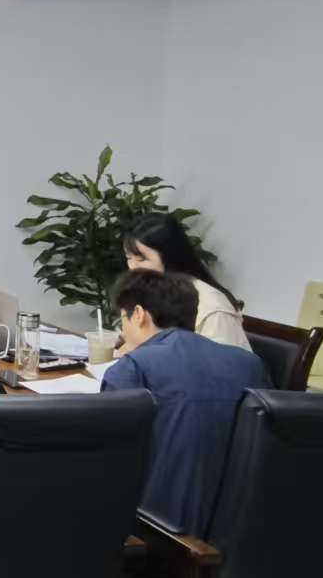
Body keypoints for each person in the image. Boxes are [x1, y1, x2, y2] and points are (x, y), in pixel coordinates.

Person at [101, 269, 266, 534]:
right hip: (242, 529)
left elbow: (107, 465)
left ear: (139, 314)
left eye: (122, 319)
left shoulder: (133, 368)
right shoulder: (250, 364)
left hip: (157, 531)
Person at [122, 214, 248, 351]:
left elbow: (221, 362)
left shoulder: (211, 306)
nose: (133, 268)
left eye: (141, 259)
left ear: (169, 257)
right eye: (129, 258)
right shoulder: (149, 293)